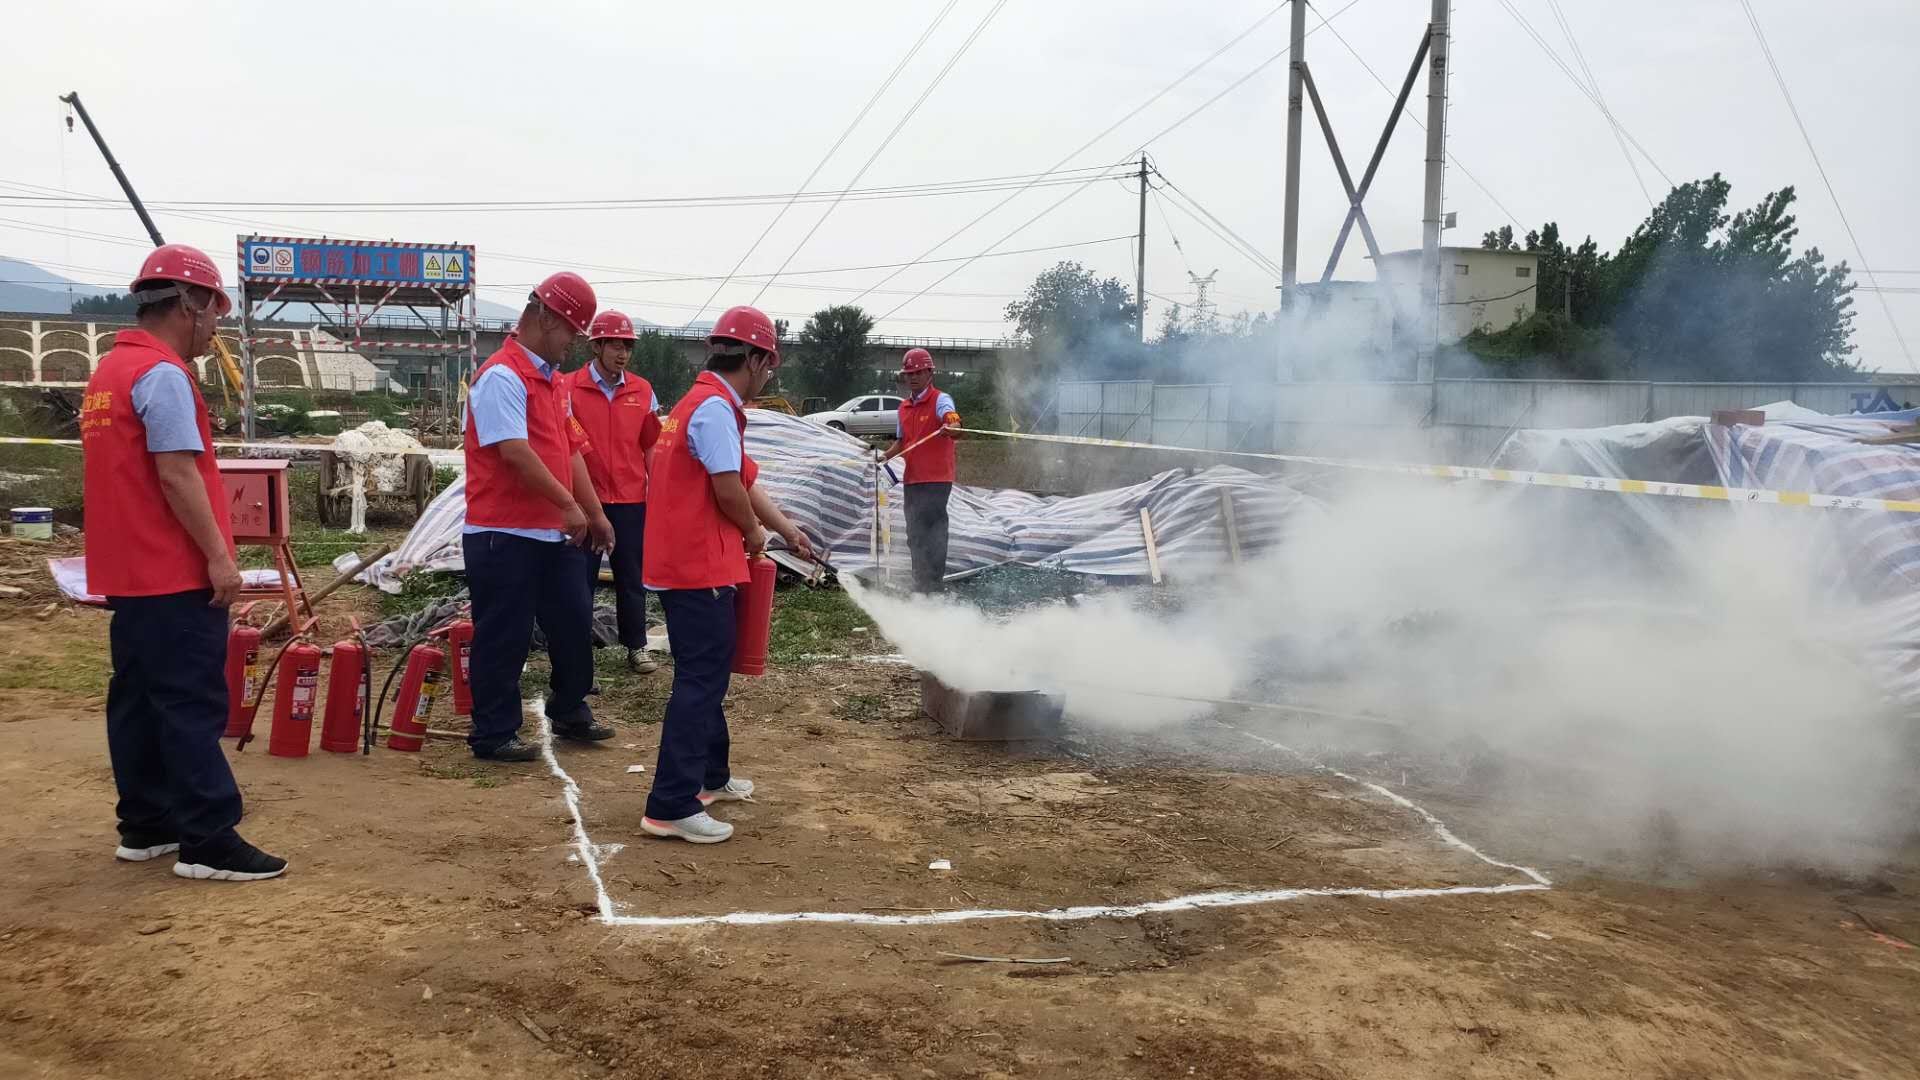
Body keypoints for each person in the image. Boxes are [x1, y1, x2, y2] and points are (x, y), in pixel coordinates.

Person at [81, 244, 286, 881]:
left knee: (139, 699)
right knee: (190, 703)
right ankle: (208, 839)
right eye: (215, 310)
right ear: (190, 304)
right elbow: (176, 474)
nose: (215, 325)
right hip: (172, 570)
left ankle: (148, 825)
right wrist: (220, 559)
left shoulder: (110, 371)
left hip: (128, 571)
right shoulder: (163, 375)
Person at [640, 305, 815, 844]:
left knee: (706, 674)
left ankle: (710, 777)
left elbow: (744, 480)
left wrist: (787, 530)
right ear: (756, 359)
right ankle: (672, 803)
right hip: (699, 567)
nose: (769, 377)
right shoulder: (714, 409)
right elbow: (728, 489)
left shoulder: (700, 403)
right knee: (701, 680)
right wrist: (754, 534)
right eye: (770, 365)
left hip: (686, 562)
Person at [462, 272, 617, 763]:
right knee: (503, 634)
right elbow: (514, 453)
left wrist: (594, 512)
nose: (575, 341)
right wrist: (569, 507)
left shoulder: (553, 382)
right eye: (572, 329)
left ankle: (569, 707)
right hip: (503, 533)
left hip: (552, 533)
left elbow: (570, 450)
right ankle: (493, 732)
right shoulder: (502, 376)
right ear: (547, 318)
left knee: (573, 622)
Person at [562, 311, 662, 674]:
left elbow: (650, 445)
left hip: (632, 499)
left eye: (628, 347)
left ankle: (636, 646)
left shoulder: (643, 391)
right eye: (615, 345)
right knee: (580, 581)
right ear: (597, 346)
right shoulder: (569, 388)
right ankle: (577, 656)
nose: (623, 354)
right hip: (586, 501)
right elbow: (566, 446)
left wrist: (658, 490)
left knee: (631, 578)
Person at [879, 348, 961, 592]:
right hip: (912, 480)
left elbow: (953, 420)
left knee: (934, 531)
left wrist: (952, 426)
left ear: (929, 373)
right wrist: (883, 457)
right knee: (914, 532)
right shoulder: (904, 408)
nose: (913, 377)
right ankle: (920, 583)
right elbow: (901, 443)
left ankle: (933, 586)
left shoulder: (940, 400)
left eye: (918, 372)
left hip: (937, 480)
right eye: (909, 373)